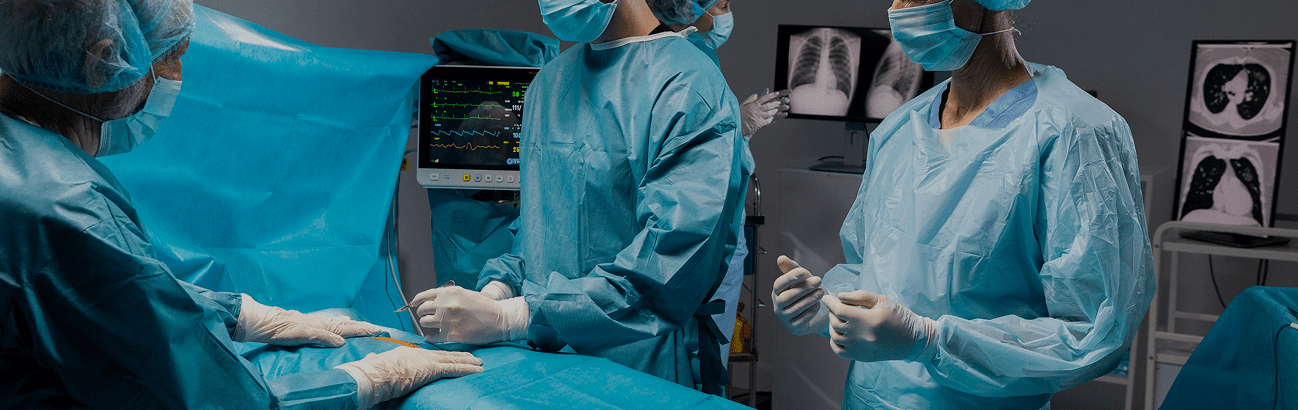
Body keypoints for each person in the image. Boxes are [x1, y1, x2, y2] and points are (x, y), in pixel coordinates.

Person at [0, 0, 480, 408]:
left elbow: (105, 300)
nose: (175, 77)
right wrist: (363, 380)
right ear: (102, 60)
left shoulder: (24, 167)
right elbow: (219, 399)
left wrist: (242, 314)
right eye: (171, 57)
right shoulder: (68, 212)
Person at [769, 0, 1155, 408]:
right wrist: (824, 303)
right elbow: (874, 268)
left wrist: (933, 341)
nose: (899, 8)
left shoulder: (1075, 133)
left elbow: (1092, 329)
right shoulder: (902, 128)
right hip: (870, 398)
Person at [412, 0, 751, 395]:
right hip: (542, 362)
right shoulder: (550, 82)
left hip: (641, 367)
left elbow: (672, 263)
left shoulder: (689, 88)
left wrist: (513, 316)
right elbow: (540, 224)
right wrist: (498, 288)